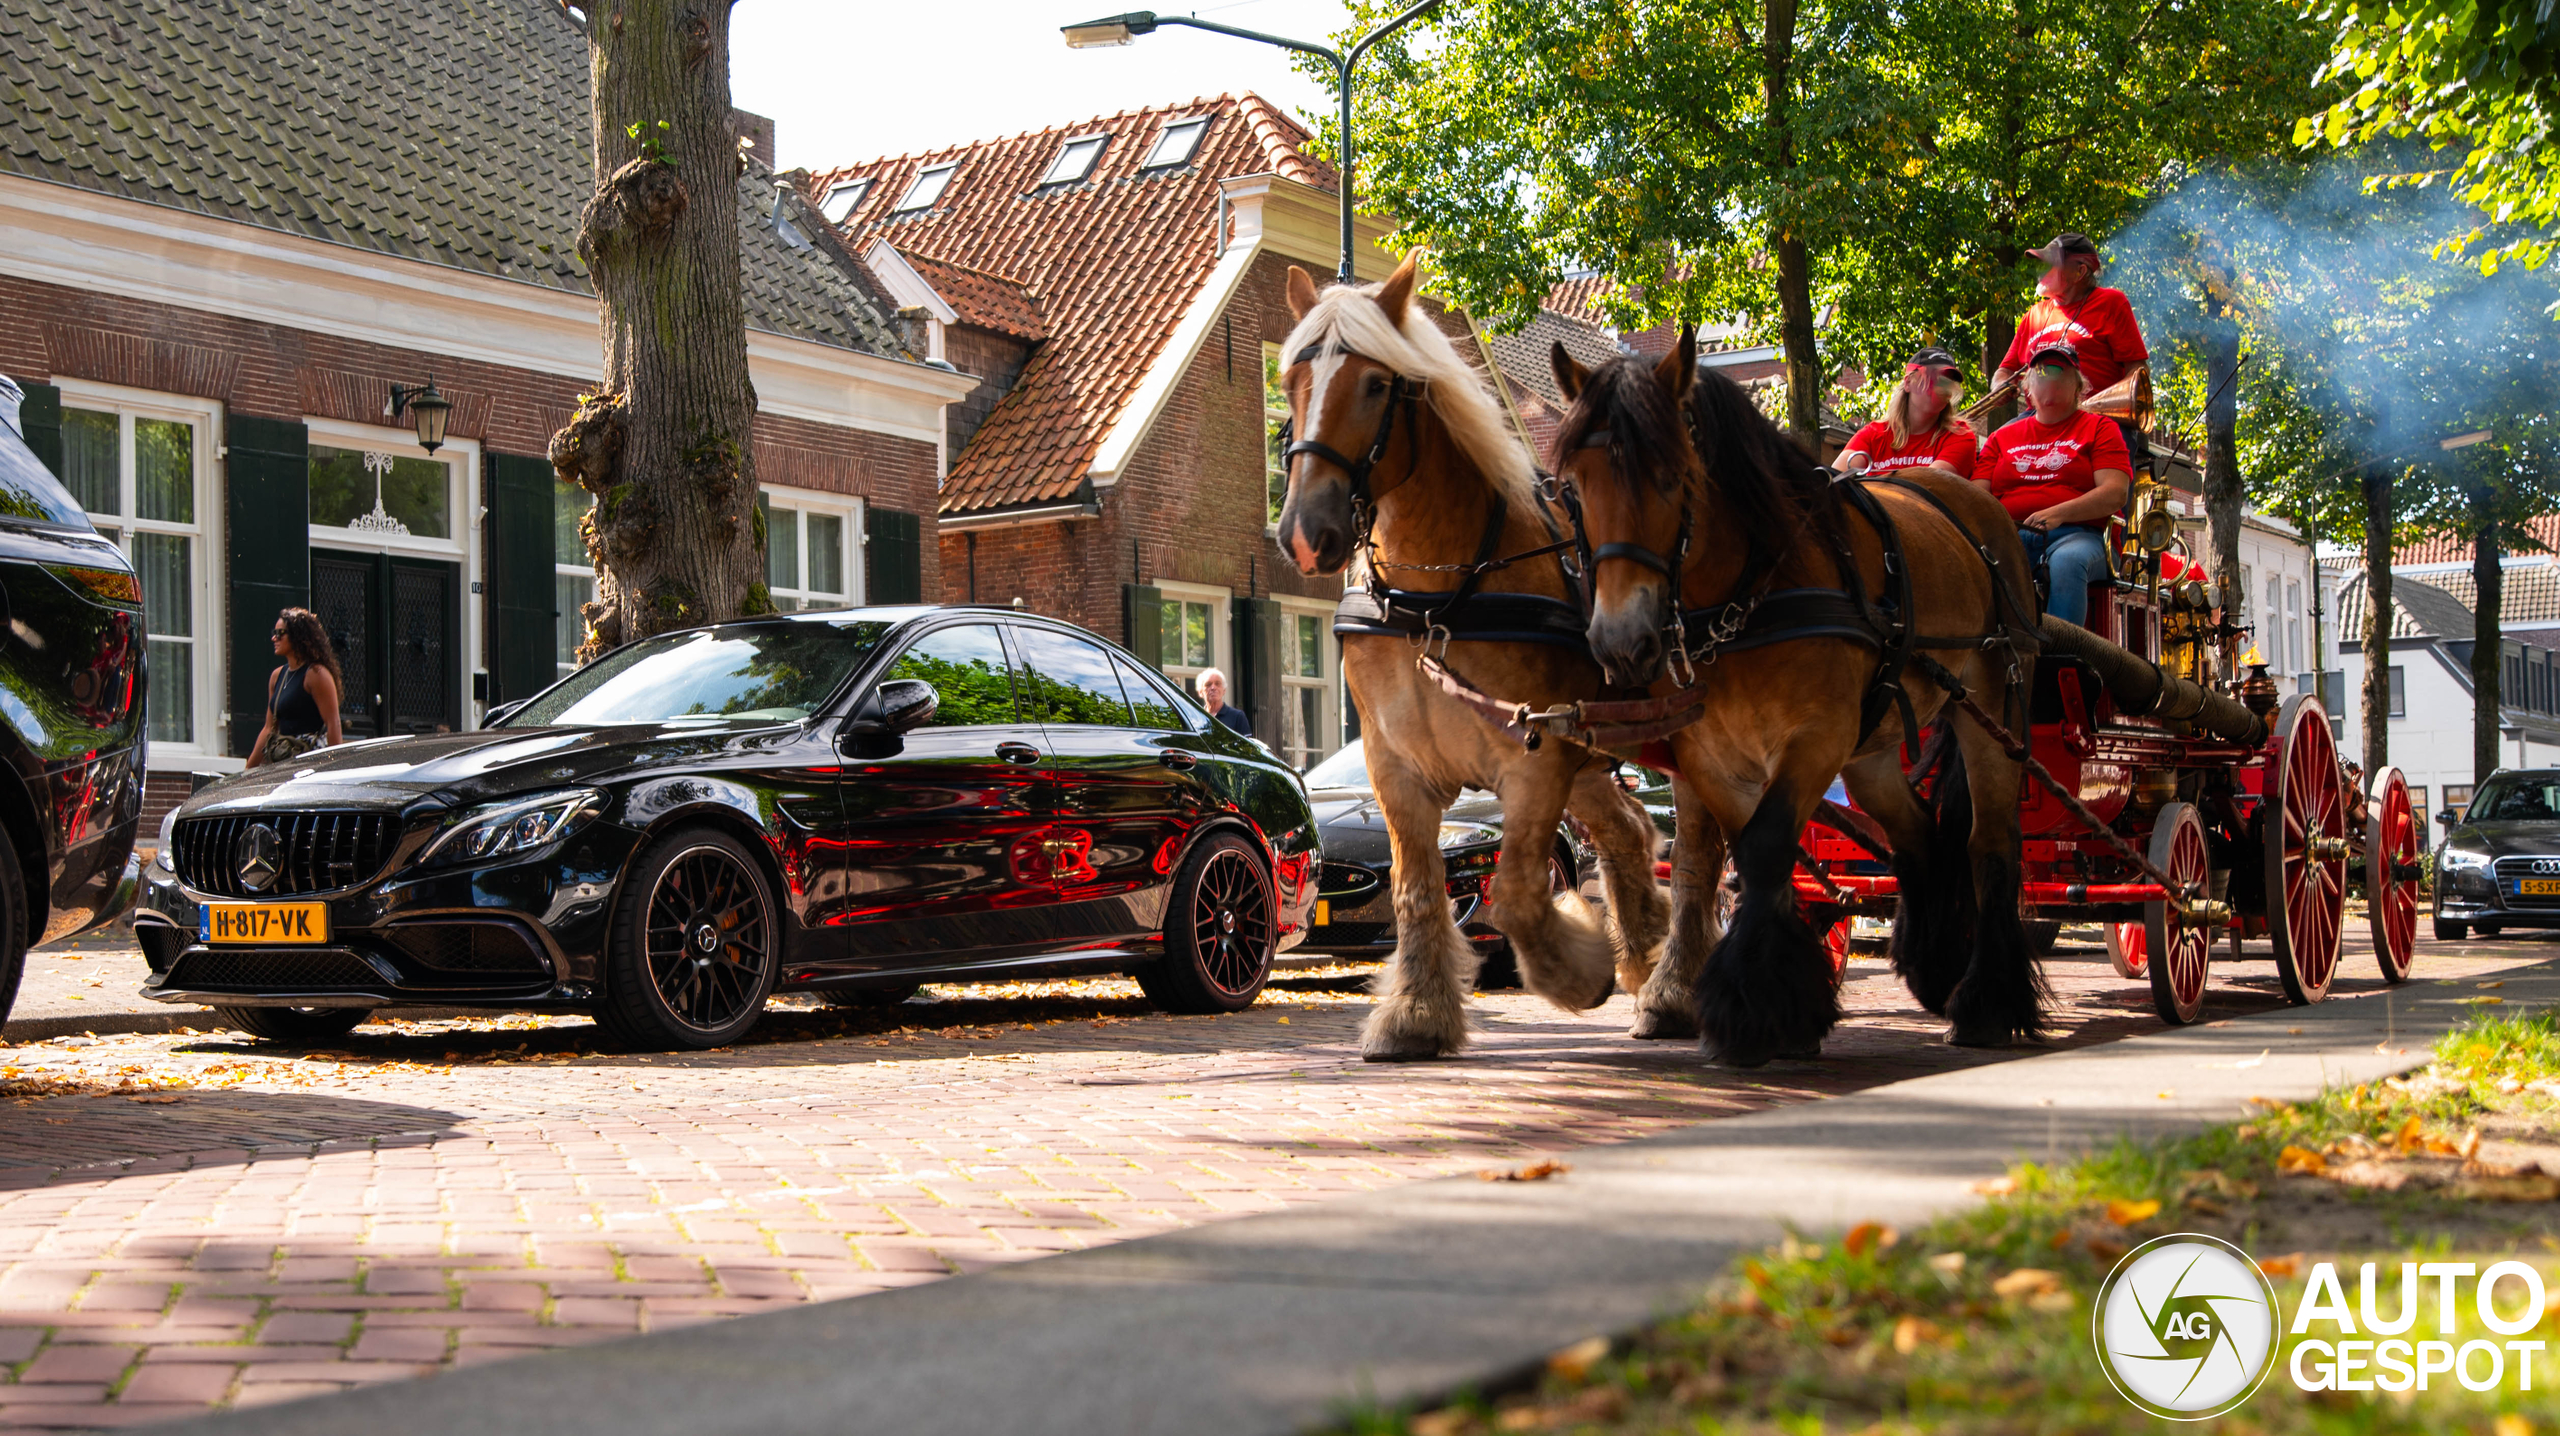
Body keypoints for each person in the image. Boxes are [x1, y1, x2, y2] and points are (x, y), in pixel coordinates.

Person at [1975, 341, 2130, 628]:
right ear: (2027, 389)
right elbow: (1975, 497)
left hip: (2080, 536)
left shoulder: (2100, 428)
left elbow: (2114, 492)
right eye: (2042, 372)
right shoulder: (2001, 437)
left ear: (2079, 387)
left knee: (2068, 563)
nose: (2051, 378)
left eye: (2061, 371)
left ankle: (2061, 657)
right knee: (1971, 560)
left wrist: (2058, 514)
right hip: (2011, 535)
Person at [1992, 232, 2151, 471]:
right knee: (1992, 453)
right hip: (2037, 418)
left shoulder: (2112, 303)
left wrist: (2101, 406)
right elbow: (2005, 370)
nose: (2041, 271)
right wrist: (1999, 387)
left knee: (2114, 449)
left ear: (2080, 271)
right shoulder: (2033, 316)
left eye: (2051, 264)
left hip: (2098, 420)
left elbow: (2138, 373)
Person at [1836, 347, 1978, 479]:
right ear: (1908, 382)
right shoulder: (1874, 435)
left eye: (1946, 383)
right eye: (1930, 378)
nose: (1939, 387)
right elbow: (1834, 480)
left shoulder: (1960, 436)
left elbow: (1929, 484)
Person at [244, 607, 346, 768]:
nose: (273, 638)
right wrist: (248, 769)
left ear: (298, 636)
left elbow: (333, 723)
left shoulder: (316, 674)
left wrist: (336, 769)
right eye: (274, 632)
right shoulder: (277, 676)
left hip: (310, 763)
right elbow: (269, 728)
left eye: (279, 633)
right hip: (283, 761)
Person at [1194, 667, 1251, 737]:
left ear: (1224, 690)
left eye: (1217, 684)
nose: (1213, 688)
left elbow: (1247, 746)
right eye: (1208, 684)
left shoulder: (1237, 717)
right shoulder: (1195, 719)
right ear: (1200, 692)